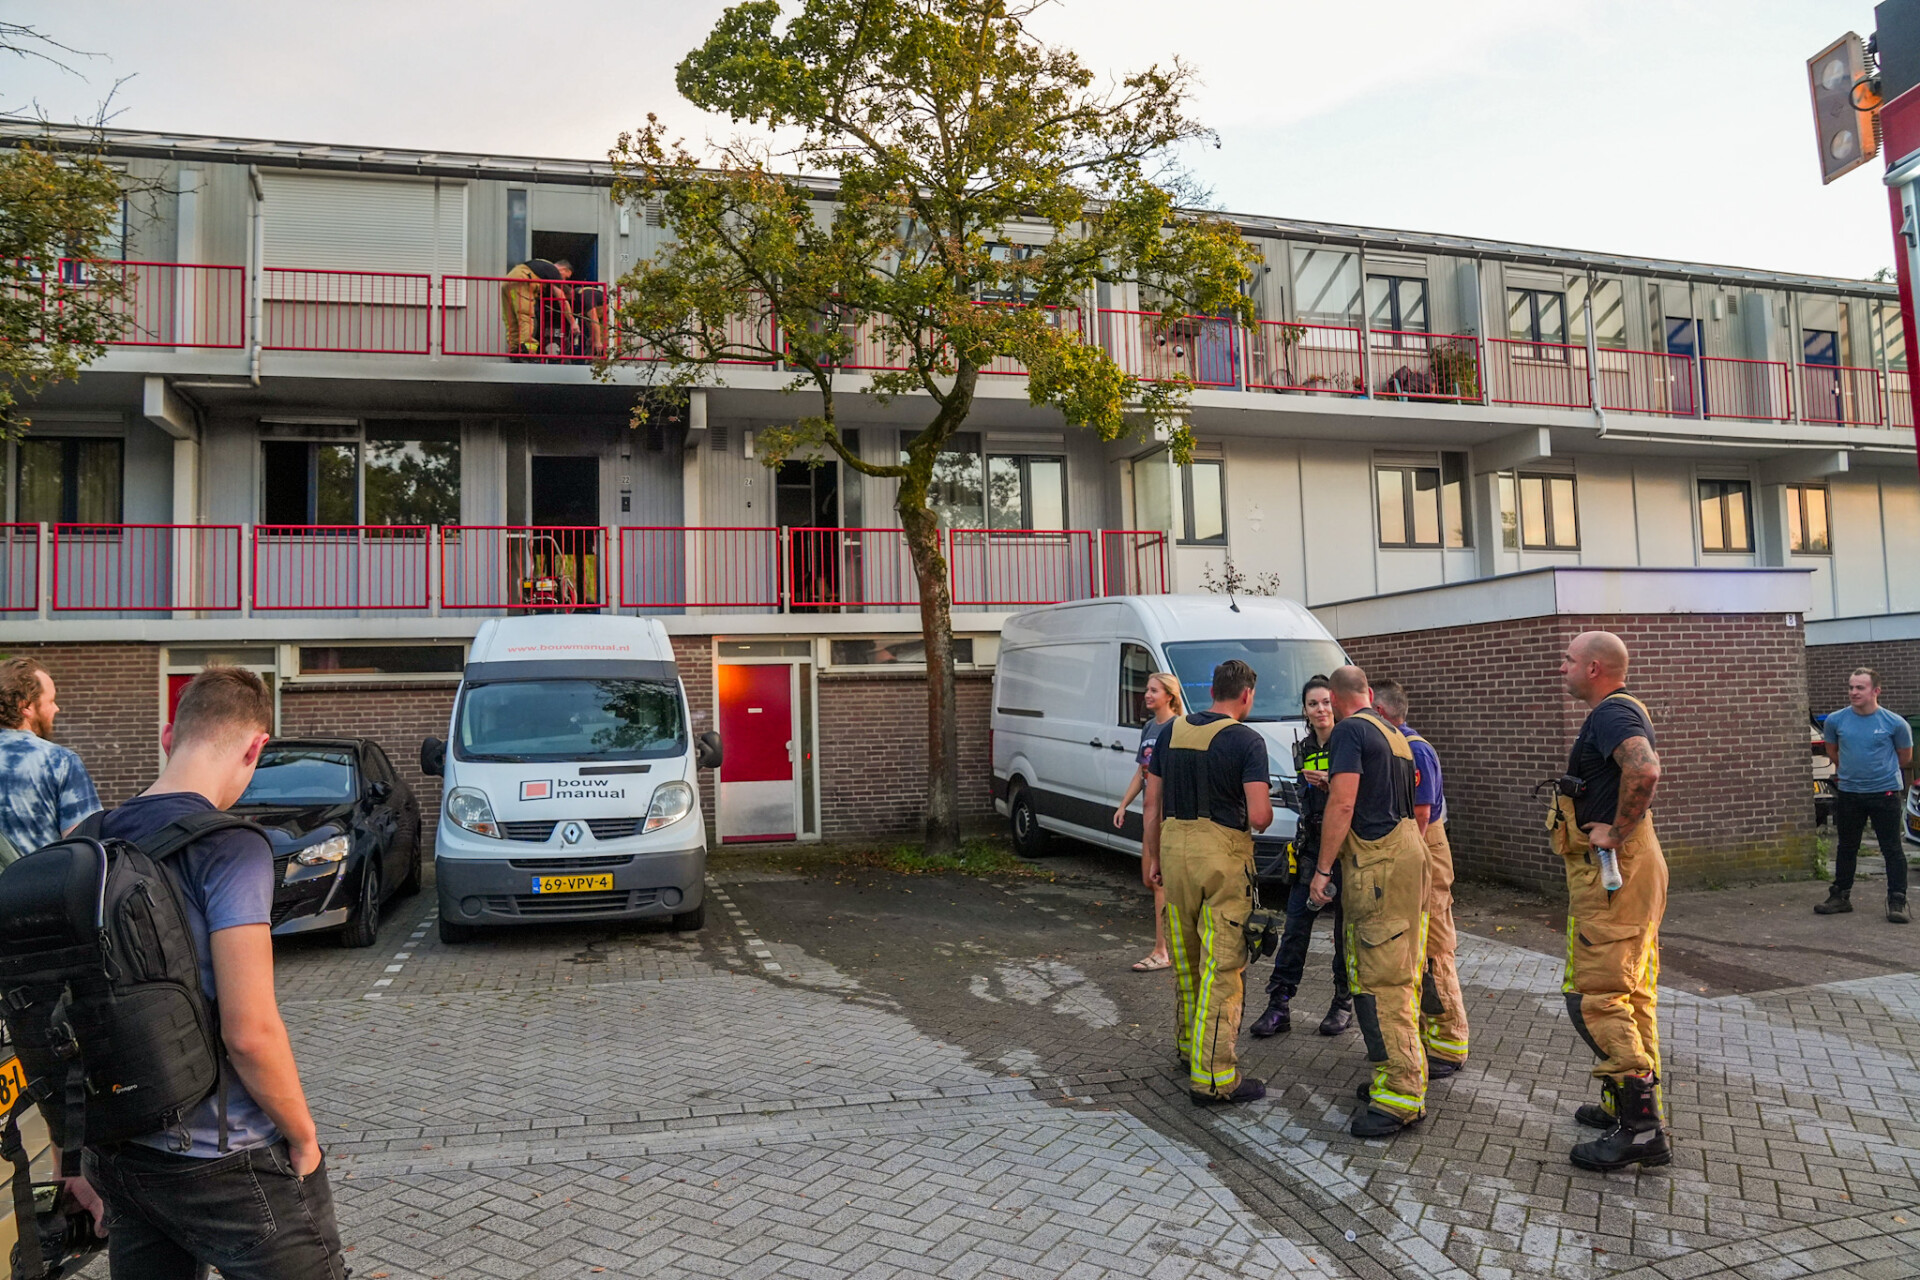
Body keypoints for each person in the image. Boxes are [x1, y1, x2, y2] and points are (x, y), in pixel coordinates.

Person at [75, 667, 348, 1278]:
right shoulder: (231, 847)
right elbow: (249, 1031)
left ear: (168, 735)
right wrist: (303, 1137)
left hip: (121, 1154)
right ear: (257, 748)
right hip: (228, 1160)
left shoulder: (84, 842)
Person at [1552, 631, 1671, 1172]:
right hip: (1634, 870)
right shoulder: (1621, 710)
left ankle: (1641, 1130)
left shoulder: (1611, 715)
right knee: (1632, 993)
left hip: (1615, 874)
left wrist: (1616, 831)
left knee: (1595, 996)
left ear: (1595, 667)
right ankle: (1626, 1107)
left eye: (1570, 660)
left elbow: (1643, 769)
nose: (1563, 667)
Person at [1308, 665, 1431, 1137]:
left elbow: (1343, 805)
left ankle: (1400, 1096)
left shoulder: (1350, 731)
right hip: (1408, 859)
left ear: (1337, 699)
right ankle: (1401, 1076)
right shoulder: (1393, 732)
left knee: (1382, 981)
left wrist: (1322, 871)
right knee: (1402, 971)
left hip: (1377, 867)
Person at [1143, 659, 1273, 1106]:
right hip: (1221, 861)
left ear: (1212, 689)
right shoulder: (1246, 740)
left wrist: (1152, 857)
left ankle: (1188, 1049)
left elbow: (1152, 804)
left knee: (1187, 960)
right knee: (1222, 969)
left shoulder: (1169, 733)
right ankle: (1215, 1078)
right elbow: (1258, 816)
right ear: (1246, 695)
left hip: (1175, 855)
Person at [1372, 680, 1468, 1075]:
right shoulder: (1399, 748)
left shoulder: (1414, 750)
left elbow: (1422, 813)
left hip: (1426, 849)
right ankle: (1431, 1038)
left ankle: (1449, 1044)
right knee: (1418, 950)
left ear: (1380, 711)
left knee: (1435, 950)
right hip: (1417, 849)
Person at [1250, 675, 1353, 1039]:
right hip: (1309, 851)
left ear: (1335, 705)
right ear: (1306, 712)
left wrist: (1331, 783)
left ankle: (1343, 1003)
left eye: (1326, 702)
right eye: (1313, 704)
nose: (1321, 709)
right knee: (1294, 930)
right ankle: (1279, 1005)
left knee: (1345, 935)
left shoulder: (1349, 744)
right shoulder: (1302, 749)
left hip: (1345, 854)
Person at [1814, 668, 1913, 924]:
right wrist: (1851, 774)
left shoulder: (1894, 723)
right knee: (1847, 847)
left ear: (1875, 691)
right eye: (1851, 687)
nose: (1853, 692)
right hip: (1850, 794)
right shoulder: (1836, 720)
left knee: (1892, 848)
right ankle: (1840, 896)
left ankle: (1897, 900)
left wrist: (1879, 774)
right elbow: (1833, 752)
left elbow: (1905, 757)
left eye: (1860, 688)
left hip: (1885, 794)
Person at [0, 656, 101, 861]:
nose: (56, 709)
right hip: (35, 889)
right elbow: (84, 848)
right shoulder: (60, 762)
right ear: (24, 705)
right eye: (51, 701)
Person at [1115, 670, 1183, 972]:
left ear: (1169, 695)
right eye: (1147, 689)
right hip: (1149, 814)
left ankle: (1162, 950)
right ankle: (1174, 943)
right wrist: (1123, 804)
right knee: (1149, 878)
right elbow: (1141, 771)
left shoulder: (1178, 728)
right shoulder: (1148, 728)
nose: (1147, 694)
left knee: (1160, 884)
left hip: (1168, 815)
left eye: (1154, 690)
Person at [499, 256, 575, 360]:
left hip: (508, 281)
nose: (564, 280)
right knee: (526, 315)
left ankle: (514, 350)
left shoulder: (541, 265)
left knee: (512, 319)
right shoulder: (553, 271)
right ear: (563, 269)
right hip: (522, 280)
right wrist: (573, 322)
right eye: (566, 277)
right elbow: (561, 299)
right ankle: (528, 351)